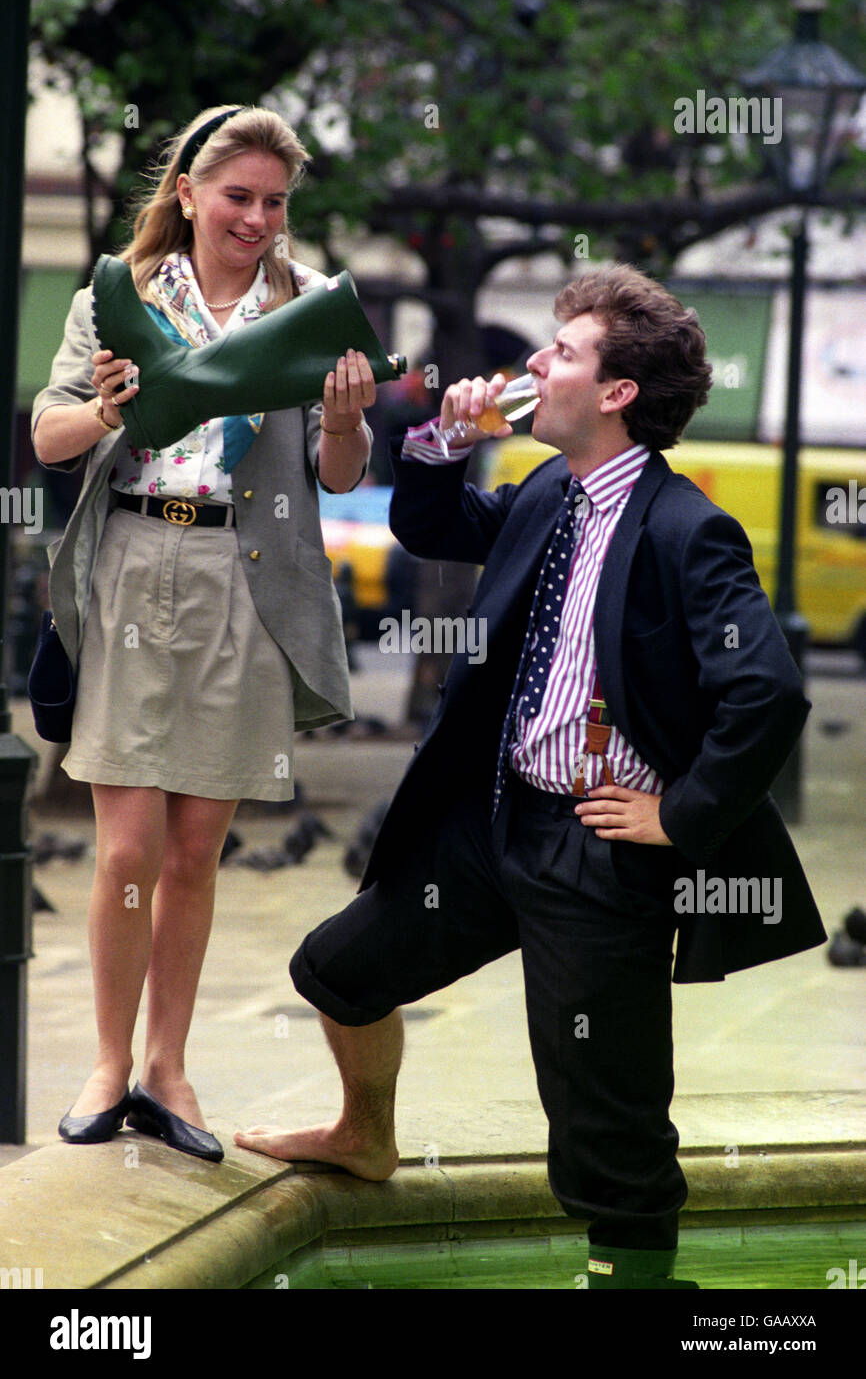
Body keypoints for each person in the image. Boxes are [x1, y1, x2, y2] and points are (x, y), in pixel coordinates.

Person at [235, 263, 826, 1287]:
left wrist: (680, 816)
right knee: (337, 969)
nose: (533, 364)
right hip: (495, 823)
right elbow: (430, 526)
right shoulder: (549, 487)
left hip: (600, 849)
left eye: (560, 352)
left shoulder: (689, 529)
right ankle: (363, 1134)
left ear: (614, 394)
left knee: (606, 1124)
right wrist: (440, 444)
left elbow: (764, 691)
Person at [32, 105, 376, 1161]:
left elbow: (340, 477)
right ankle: (104, 1061)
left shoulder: (308, 304)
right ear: (187, 190)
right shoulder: (115, 294)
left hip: (245, 574)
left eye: (275, 202)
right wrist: (107, 408)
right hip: (133, 567)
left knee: (193, 850)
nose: (259, 218)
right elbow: (47, 436)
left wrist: (349, 418)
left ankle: (166, 1068)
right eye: (239, 197)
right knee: (126, 845)